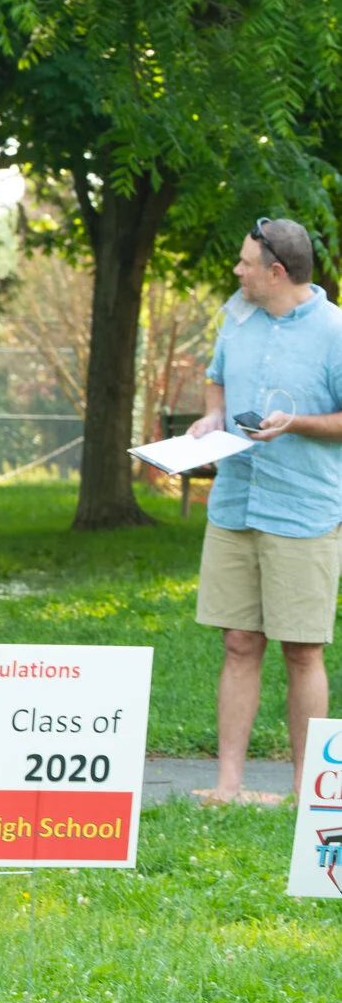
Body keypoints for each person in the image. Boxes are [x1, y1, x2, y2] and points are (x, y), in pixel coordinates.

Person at [184, 216, 342, 802]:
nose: (237, 271)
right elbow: (216, 380)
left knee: (302, 651)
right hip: (234, 507)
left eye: (246, 263)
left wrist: (295, 424)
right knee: (238, 643)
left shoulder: (335, 331)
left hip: (303, 512)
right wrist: (213, 415)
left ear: (277, 272)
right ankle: (227, 786)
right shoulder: (237, 318)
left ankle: (307, 793)